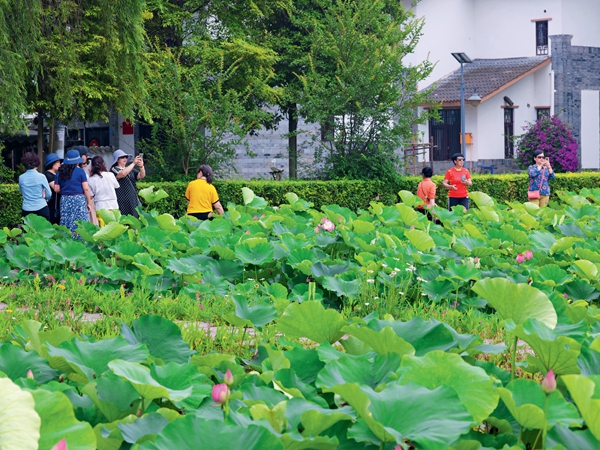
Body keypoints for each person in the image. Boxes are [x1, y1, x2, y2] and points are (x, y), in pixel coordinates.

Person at [56, 149, 93, 237]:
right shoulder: (80, 171)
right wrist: (89, 202)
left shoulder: (60, 171)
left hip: (65, 200)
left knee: (67, 223)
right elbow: (86, 188)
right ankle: (80, 243)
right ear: (77, 161)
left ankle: (67, 242)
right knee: (80, 224)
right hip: (78, 200)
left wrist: (66, 192)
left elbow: (57, 189)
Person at [111, 149, 145, 218]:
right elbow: (122, 174)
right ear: (117, 160)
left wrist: (141, 167)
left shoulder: (130, 169)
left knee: (135, 221)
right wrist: (133, 163)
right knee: (124, 221)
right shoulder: (114, 169)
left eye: (126, 157)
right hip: (122, 200)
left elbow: (141, 176)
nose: (125, 159)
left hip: (133, 199)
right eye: (122, 157)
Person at [18, 152, 52, 221]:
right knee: (44, 230)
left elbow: (21, 192)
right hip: (41, 207)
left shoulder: (21, 177)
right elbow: (49, 193)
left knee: (28, 230)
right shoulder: (42, 176)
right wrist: (45, 199)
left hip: (27, 208)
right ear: (37, 163)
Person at [43, 153, 63, 224]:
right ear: (51, 164)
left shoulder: (57, 174)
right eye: (57, 162)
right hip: (52, 203)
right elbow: (56, 188)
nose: (59, 164)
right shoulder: (48, 175)